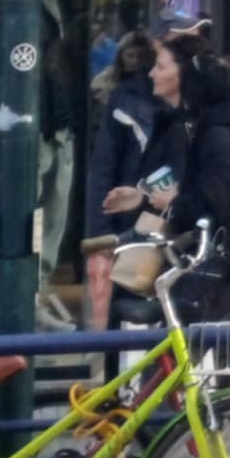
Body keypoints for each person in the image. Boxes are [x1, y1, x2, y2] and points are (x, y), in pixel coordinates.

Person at [107, 36, 230, 322]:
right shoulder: (215, 127)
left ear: (186, 76)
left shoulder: (214, 135)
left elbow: (214, 198)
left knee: (200, 354)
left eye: (160, 66)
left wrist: (175, 204)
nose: (151, 72)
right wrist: (145, 196)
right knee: (221, 357)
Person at [83, 30, 161, 327]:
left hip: (161, 222)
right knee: (128, 309)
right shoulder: (123, 99)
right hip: (132, 222)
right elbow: (104, 167)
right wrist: (99, 234)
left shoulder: (187, 105)